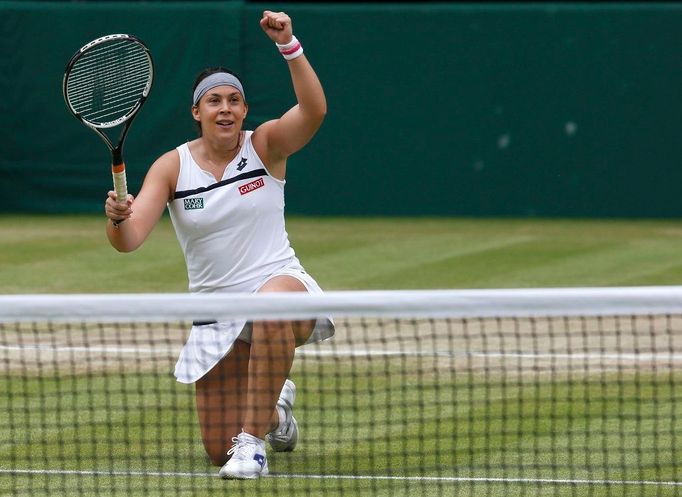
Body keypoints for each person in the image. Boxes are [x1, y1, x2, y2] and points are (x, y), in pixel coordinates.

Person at [104, 10, 334, 480]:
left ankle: (253, 447)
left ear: (245, 111)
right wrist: (116, 219)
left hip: (282, 289)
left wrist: (289, 46)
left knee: (271, 306)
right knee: (214, 447)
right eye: (214, 101)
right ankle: (274, 412)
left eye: (234, 100)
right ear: (197, 112)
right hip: (217, 312)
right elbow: (128, 240)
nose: (225, 108)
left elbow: (314, 112)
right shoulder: (172, 167)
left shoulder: (266, 145)